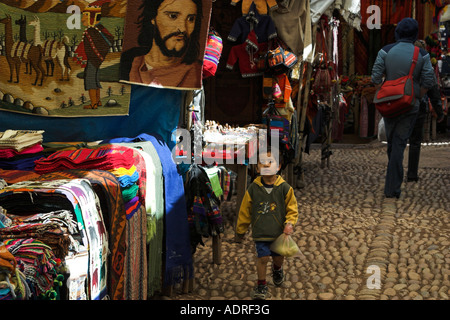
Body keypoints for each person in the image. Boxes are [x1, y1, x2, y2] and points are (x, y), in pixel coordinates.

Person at [371, 18, 436, 199]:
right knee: (399, 143)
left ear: (397, 32)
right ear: (415, 34)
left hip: (389, 104)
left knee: (393, 144)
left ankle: (392, 186)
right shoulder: (421, 54)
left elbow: (375, 77)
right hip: (410, 105)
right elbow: (429, 81)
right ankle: (392, 187)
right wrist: (417, 96)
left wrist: (384, 93)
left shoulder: (385, 51)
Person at [235, 148, 298, 300]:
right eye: (262, 163)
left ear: (279, 166)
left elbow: (292, 209)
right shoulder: (253, 189)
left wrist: (290, 223)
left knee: (278, 257)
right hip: (261, 232)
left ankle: (277, 269)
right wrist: (240, 230)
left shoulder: (285, 189)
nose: (266, 165)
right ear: (257, 168)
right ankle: (261, 284)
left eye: (270, 162)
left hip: (278, 233)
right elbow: (245, 210)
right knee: (262, 259)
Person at [120, 0, 204, 89]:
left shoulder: (195, 72)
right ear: (153, 17)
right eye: (173, 16)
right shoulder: (128, 63)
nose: (183, 28)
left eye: (191, 19)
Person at [407, 40, 445, 182]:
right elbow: (432, 87)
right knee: (415, 141)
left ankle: (395, 173)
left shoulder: (404, 60)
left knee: (398, 140)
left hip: (401, 103)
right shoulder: (425, 62)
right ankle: (411, 174)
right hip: (418, 104)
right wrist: (439, 112)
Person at [73, 0, 114, 110]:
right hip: (96, 59)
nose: (82, 20)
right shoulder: (100, 29)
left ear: (92, 17)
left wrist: (93, 56)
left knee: (90, 79)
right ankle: (98, 101)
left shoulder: (92, 31)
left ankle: (93, 104)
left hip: (93, 59)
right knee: (95, 78)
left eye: (85, 16)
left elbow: (91, 47)